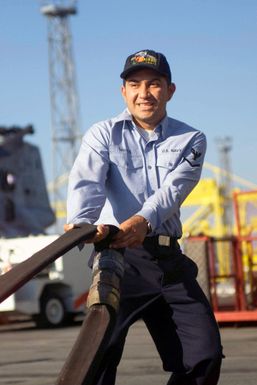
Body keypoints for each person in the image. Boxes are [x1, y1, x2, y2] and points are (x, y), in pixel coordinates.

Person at [66, 49, 223, 385]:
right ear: (123, 92)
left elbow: (174, 191)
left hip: (168, 260)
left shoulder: (191, 139)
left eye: (154, 84)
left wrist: (142, 221)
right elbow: (87, 183)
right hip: (117, 260)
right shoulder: (103, 134)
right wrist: (81, 224)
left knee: (204, 356)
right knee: (95, 361)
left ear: (170, 90)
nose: (144, 93)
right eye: (134, 84)